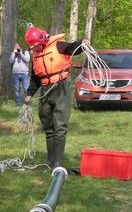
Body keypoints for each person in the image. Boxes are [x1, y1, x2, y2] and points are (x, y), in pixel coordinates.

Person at [23, 26, 90, 168]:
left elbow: (72, 48)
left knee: (59, 125)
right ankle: (50, 160)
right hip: (46, 89)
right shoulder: (36, 56)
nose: (33, 49)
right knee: (47, 123)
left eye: (34, 46)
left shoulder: (58, 45)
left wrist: (82, 43)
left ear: (42, 40)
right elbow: (35, 78)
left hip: (61, 87)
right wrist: (29, 94)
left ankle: (58, 162)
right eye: (31, 47)